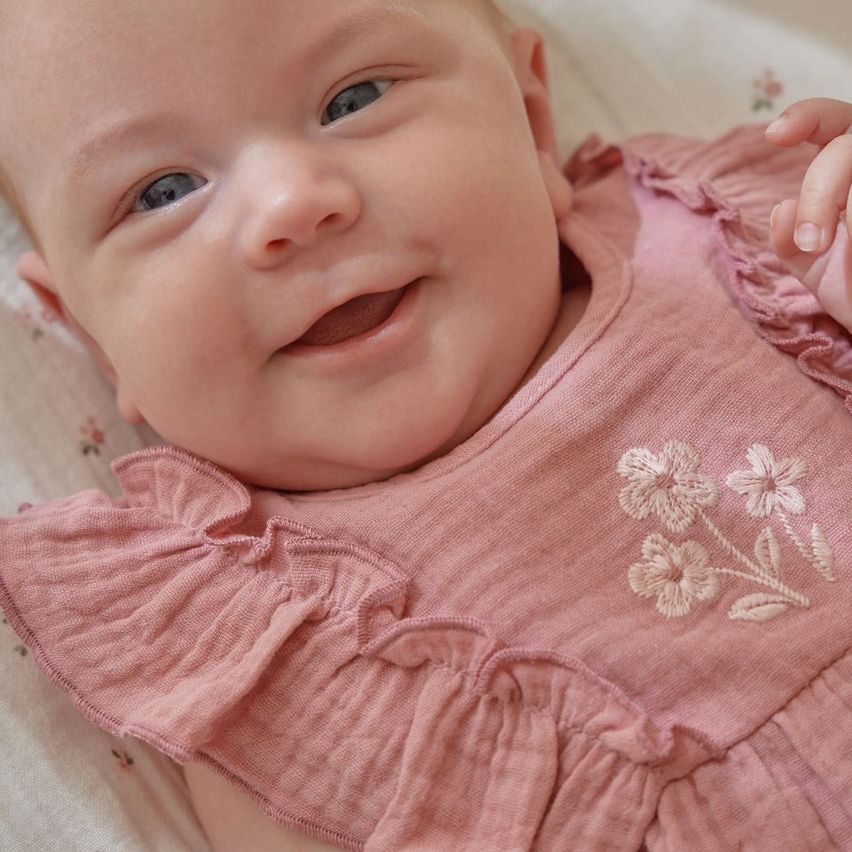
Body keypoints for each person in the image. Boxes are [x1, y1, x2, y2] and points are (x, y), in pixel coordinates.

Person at [0, 0, 850, 849]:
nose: (291, 208)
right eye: (162, 193)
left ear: (529, 120)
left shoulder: (752, 243)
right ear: (89, 332)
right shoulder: (271, 659)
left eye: (354, 98)